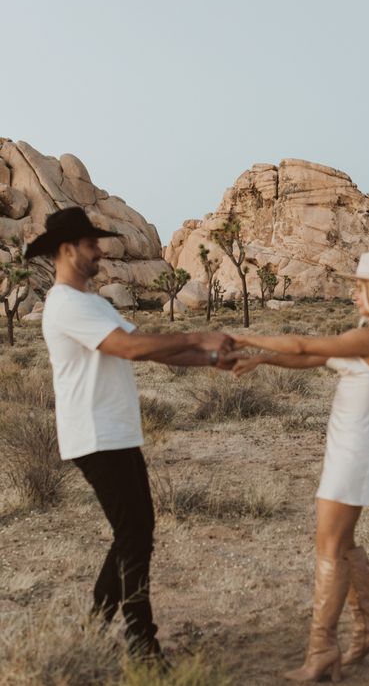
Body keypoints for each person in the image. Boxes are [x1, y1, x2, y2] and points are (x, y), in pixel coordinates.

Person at [24, 206, 234, 668]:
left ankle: (96, 629)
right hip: (95, 435)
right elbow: (130, 349)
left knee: (134, 533)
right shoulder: (64, 303)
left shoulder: (94, 303)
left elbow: (153, 350)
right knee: (135, 534)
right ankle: (141, 644)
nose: (100, 250)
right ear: (66, 249)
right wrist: (201, 337)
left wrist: (214, 361)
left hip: (115, 432)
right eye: (91, 243)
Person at [230, 251, 369, 683]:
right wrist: (262, 360)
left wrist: (247, 338)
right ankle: (368, 631)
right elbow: (311, 358)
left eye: (359, 287)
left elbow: (303, 345)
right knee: (344, 543)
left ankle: (322, 651)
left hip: (353, 453)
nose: (353, 294)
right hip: (350, 448)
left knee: (329, 548)